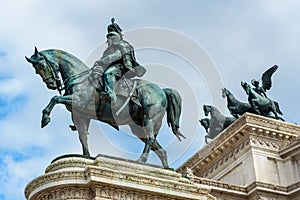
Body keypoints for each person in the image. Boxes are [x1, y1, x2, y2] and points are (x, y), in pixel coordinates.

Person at [92, 18, 146, 104]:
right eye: (108, 36)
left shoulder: (123, 45)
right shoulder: (108, 49)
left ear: (117, 36)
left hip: (123, 68)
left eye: (112, 36)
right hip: (113, 66)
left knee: (108, 73)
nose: (109, 38)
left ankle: (110, 94)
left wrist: (101, 61)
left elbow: (116, 56)